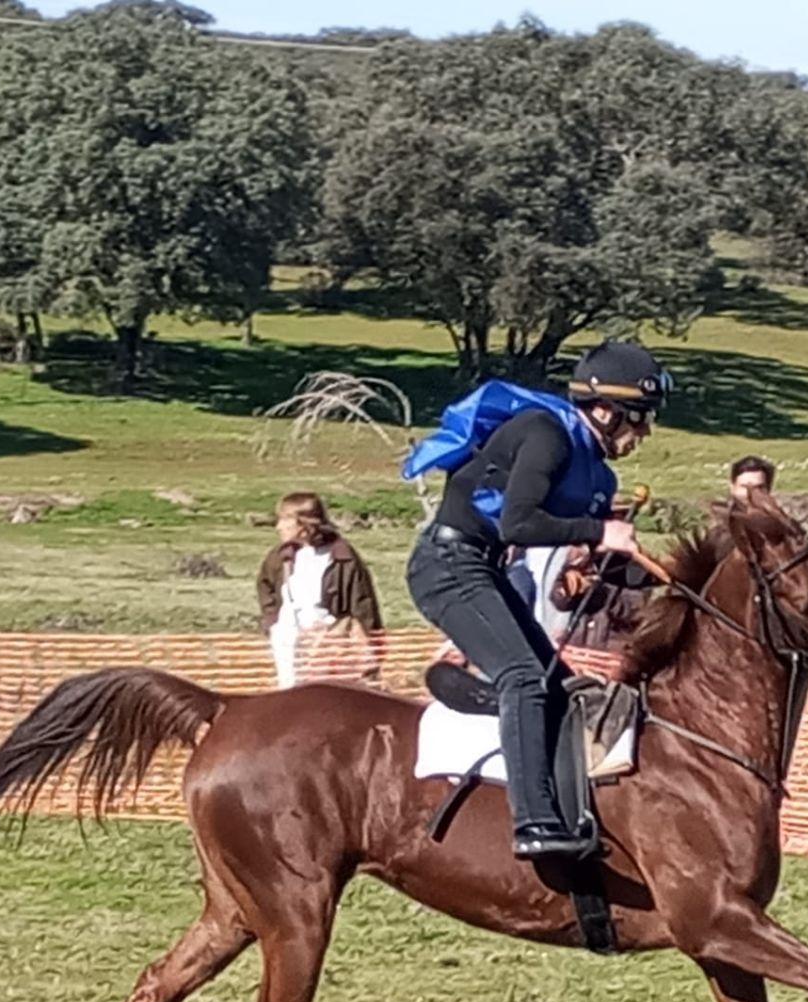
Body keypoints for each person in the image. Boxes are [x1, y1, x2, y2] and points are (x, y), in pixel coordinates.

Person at [402, 340, 668, 857]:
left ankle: (563, 798)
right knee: (524, 678)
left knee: (558, 686)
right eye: (639, 419)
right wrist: (598, 531)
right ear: (605, 410)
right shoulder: (544, 434)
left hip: (481, 567)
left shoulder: (592, 463)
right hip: (447, 565)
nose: (644, 434)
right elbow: (517, 522)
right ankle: (534, 825)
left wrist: (662, 577)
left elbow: (586, 546)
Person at [256, 491, 384, 686]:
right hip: (288, 642)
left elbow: (362, 605)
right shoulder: (280, 556)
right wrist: (273, 623)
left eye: (284, 520)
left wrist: (366, 646)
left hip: (328, 645)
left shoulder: (342, 557)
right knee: (288, 695)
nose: (278, 527)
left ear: (304, 523)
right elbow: (266, 588)